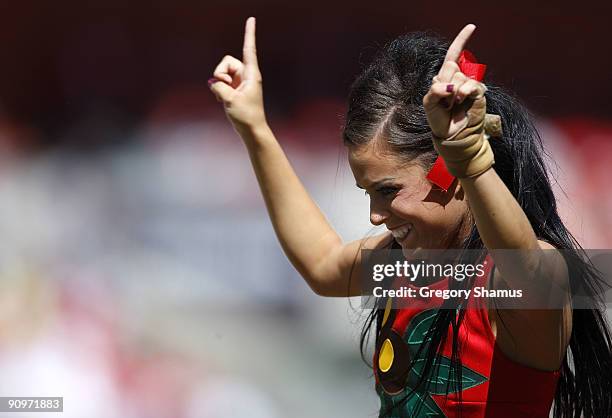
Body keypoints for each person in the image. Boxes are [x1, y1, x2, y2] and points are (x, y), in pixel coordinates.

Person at [208, 17, 612, 417]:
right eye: (368, 193)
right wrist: (255, 129)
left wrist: (471, 160)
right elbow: (323, 263)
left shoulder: (518, 280)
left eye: (388, 191)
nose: (375, 215)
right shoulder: (402, 263)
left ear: (449, 171)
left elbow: (523, 267)